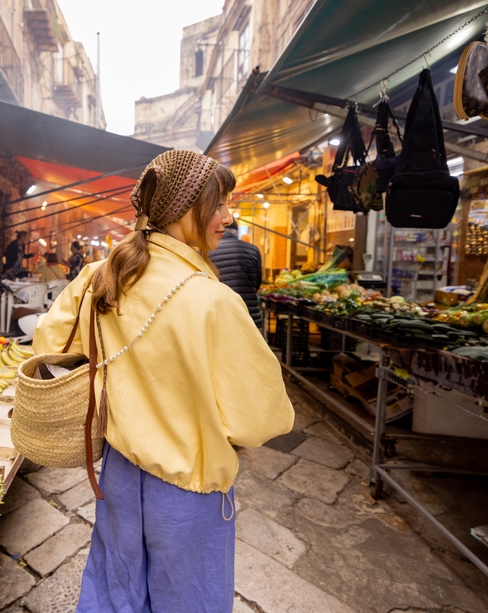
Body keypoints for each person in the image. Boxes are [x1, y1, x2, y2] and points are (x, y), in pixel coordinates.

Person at [34, 149, 294, 612]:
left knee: (115, 595)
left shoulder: (102, 276)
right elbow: (259, 420)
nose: (227, 217)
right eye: (218, 205)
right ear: (181, 209)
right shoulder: (213, 301)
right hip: (186, 490)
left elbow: (49, 343)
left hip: (118, 474)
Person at [208, 220, 264, 328]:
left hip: (222, 315)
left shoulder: (206, 251)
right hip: (249, 314)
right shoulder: (253, 250)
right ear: (236, 232)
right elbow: (257, 282)